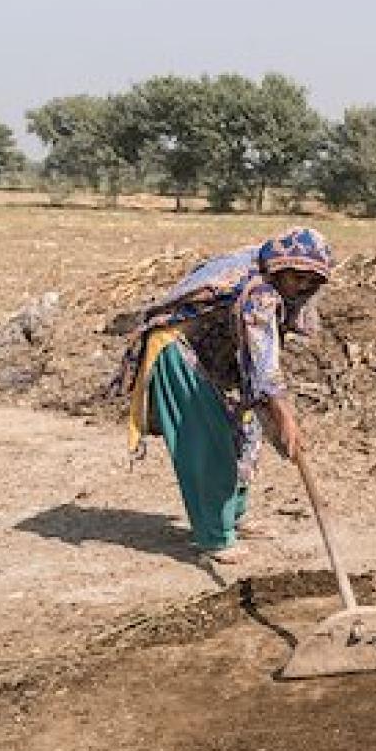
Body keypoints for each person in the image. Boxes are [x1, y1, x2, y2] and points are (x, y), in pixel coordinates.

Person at [113, 227, 333, 567]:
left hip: (221, 354)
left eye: (310, 280)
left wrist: (275, 415)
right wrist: (285, 416)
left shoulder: (275, 284)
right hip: (180, 350)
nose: (301, 286)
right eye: (296, 277)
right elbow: (265, 370)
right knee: (207, 440)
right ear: (280, 266)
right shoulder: (259, 292)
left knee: (246, 432)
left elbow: (263, 359)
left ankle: (234, 514)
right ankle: (214, 534)